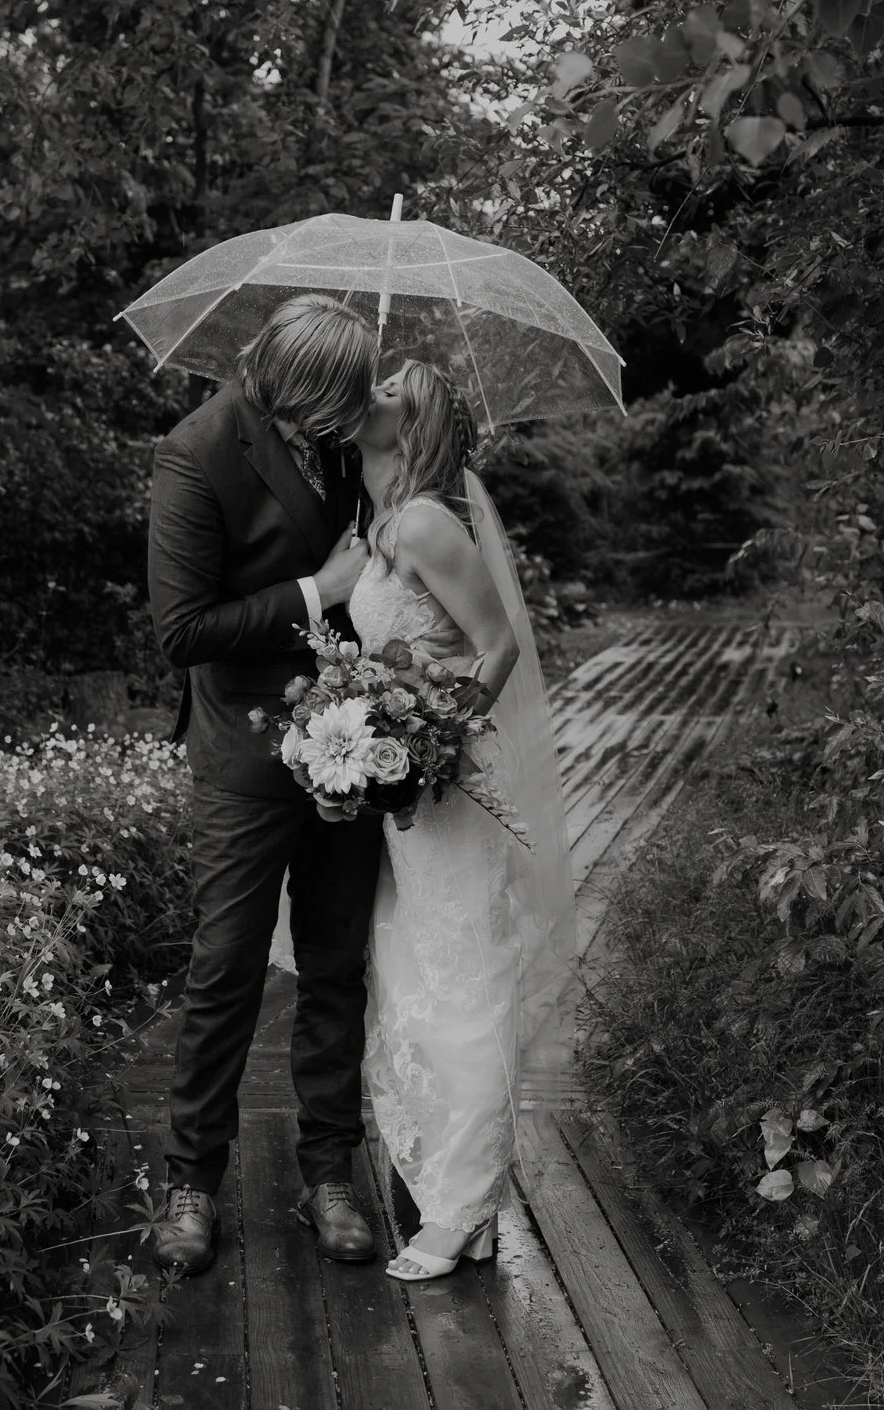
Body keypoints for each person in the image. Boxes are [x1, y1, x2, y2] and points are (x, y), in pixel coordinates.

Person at [144, 293, 388, 1274]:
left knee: (336, 967)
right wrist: (311, 595)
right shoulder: (195, 453)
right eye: (332, 403)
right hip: (243, 755)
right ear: (290, 383)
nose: (344, 424)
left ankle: (328, 1169)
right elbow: (182, 630)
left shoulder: (347, 445)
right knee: (225, 971)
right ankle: (192, 1181)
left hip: (353, 744)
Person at [346, 358, 573, 1281]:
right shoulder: (381, 524)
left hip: (450, 789)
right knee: (414, 982)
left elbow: (499, 645)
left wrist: (436, 741)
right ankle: (461, 1197)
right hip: (405, 802)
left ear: (417, 425)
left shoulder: (429, 521)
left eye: (393, 387)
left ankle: (460, 1207)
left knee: (466, 985)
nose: (373, 389)